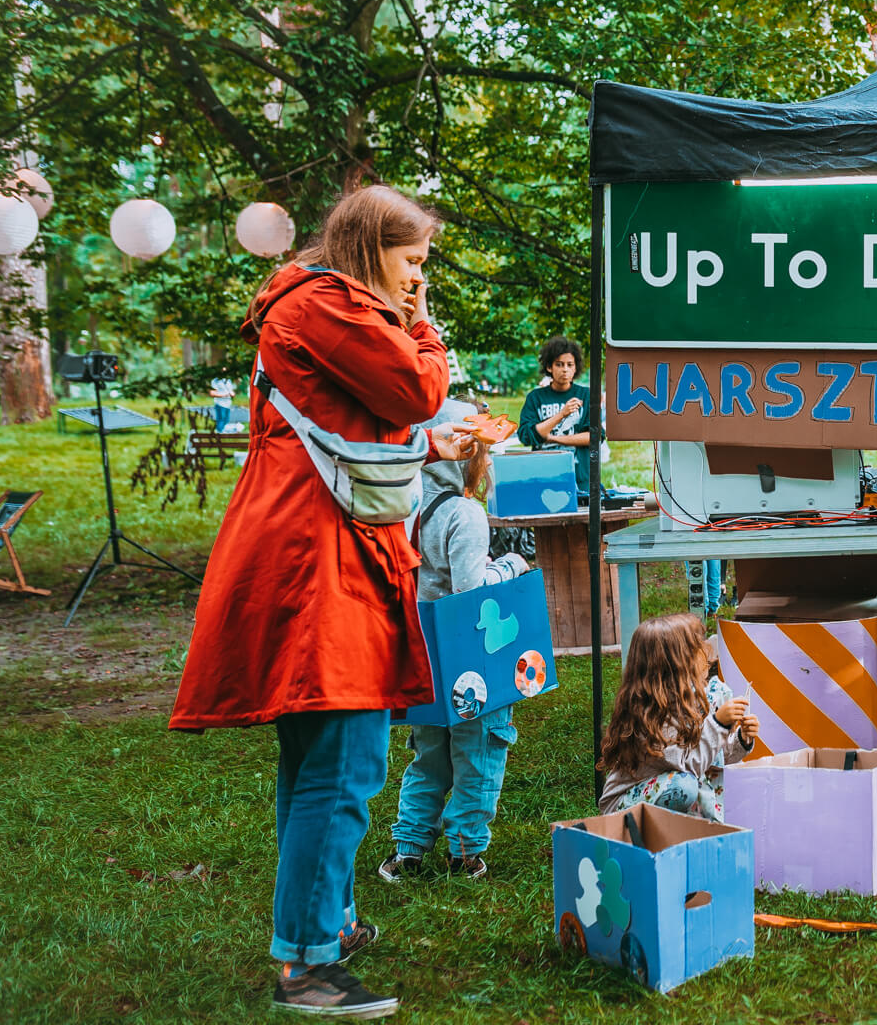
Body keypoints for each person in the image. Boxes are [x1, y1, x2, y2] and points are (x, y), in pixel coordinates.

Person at [171, 185, 476, 1018]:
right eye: (411, 261)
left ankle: (325, 922)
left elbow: (364, 417)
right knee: (343, 761)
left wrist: (425, 437)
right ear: (371, 245)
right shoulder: (328, 306)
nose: (416, 278)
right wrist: (423, 322)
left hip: (318, 545)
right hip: (318, 559)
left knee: (317, 761)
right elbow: (415, 387)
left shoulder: (312, 305)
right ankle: (306, 965)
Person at [378, 398, 530, 883]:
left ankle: (408, 849)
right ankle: (465, 852)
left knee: (429, 757)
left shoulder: (406, 508)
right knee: (479, 753)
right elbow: (470, 592)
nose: (487, 462)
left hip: (423, 658)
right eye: (483, 451)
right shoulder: (464, 513)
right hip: (470, 661)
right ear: (463, 453)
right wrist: (509, 567)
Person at [598, 614, 760, 819]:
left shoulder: (696, 697)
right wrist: (718, 724)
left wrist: (741, 740)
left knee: (697, 788)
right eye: (697, 649)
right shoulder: (651, 715)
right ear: (675, 666)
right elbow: (689, 766)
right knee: (684, 786)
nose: (708, 652)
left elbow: (710, 758)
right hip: (627, 806)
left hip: (672, 796)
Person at [515, 335, 594, 497]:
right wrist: (562, 414)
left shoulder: (585, 395)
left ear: (575, 368)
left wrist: (553, 438)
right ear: (549, 367)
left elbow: (594, 437)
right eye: (559, 364)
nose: (565, 369)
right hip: (542, 477)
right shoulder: (535, 398)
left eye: (569, 365)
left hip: (579, 478)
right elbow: (526, 436)